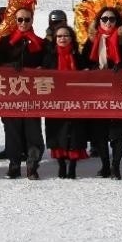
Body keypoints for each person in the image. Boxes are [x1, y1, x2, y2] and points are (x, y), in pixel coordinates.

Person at [82, 5, 122, 178]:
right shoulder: (91, 41)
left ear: (117, 21)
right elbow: (83, 62)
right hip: (97, 92)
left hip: (119, 91)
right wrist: (91, 70)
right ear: (99, 21)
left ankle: (116, 166)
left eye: (111, 19)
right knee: (100, 131)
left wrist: (121, 67)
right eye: (104, 19)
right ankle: (105, 164)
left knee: (118, 130)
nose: (108, 22)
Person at [0, 6, 47, 179]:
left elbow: (47, 64)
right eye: (20, 20)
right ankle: (14, 164)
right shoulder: (6, 42)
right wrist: (9, 67)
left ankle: (32, 165)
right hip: (11, 94)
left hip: (32, 94)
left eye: (27, 19)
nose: (23, 23)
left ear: (32, 20)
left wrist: (41, 69)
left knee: (33, 132)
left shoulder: (40, 43)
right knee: (12, 131)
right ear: (15, 21)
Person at [43, 23, 92, 178]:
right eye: (59, 36)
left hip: (76, 102)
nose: (62, 38)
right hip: (55, 103)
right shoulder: (49, 57)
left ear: (71, 38)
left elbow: (88, 74)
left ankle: (72, 166)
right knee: (57, 132)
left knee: (75, 133)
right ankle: (61, 164)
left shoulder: (79, 57)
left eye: (66, 35)